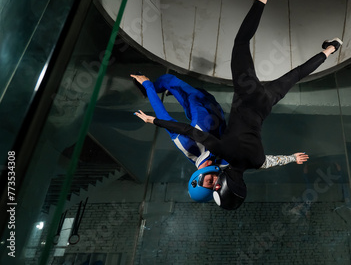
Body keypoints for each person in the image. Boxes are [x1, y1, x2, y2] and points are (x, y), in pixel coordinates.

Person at [133, 0, 342, 210]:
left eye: (209, 185)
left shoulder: (255, 163)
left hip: (264, 106)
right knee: (241, 43)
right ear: (222, 183)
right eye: (215, 185)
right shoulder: (224, 152)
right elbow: (188, 130)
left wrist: (293, 158)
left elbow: (273, 161)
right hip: (247, 95)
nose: (213, 183)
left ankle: (331, 49)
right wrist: (153, 120)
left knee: (295, 76)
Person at [131, 73, 310, 202]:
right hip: (209, 102)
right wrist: (292, 158)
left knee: (167, 80)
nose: (215, 179)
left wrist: (147, 85)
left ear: (198, 178)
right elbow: (261, 163)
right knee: (187, 89)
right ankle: (160, 88)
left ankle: (151, 88)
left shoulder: (188, 147)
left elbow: (164, 118)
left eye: (209, 181)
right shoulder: (225, 164)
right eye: (215, 184)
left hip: (196, 102)